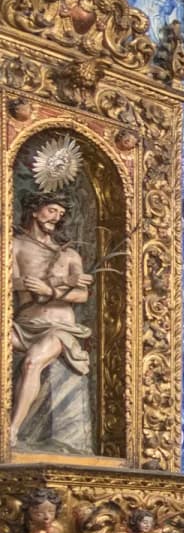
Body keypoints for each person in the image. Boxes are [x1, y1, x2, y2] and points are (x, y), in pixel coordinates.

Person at [11, 191, 94, 454]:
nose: (56, 218)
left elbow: (82, 294)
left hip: (59, 328)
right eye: (51, 210)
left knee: (33, 361)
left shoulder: (69, 255)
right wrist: (53, 281)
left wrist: (49, 290)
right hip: (24, 325)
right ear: (35, 211)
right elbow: (11, 282)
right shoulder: (15, 246)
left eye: (60, 214)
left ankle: (12, 430)